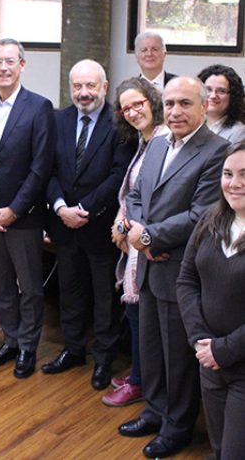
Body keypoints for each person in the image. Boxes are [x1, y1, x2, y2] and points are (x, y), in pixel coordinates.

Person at [119, 77, 229, 459]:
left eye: (185, 103)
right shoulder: (157, 143)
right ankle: (155, 410)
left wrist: (146, 238)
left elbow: (202, 214)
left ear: (203, 107)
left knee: (177, 357)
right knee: (151, 350)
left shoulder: (217, 151)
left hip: (179, 268)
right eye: (170, 103)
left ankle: (178, 426)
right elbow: (135, 195)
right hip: (149, 265)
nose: (176, 111)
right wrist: (137, 232)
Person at [0, 38, 56, 379]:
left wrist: (15, 209)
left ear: (22, 65)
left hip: (25, 217)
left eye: (10, 61)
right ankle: (12, 340)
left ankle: (29, 347)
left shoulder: (39, 107)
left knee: (29, 287)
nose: (3, 67)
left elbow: (41, 166)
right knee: (0, 284)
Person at [43, 60, 137, 389]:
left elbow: (119, 176)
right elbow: (47, 169)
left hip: (99, 227)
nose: (84, 93)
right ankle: (73, 349)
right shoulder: (59, 119)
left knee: (104, 298)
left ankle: (104, 358)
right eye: (78, 86)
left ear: (104, 87)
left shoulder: (121, 123)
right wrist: (59, 207)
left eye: (91, 86)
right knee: (69, 291)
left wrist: (83, 208)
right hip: (64, 226)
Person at [102, 77, 168, 407]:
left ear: (153, 101)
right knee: (134, 314)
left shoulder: (164, 140)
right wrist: (119, 220)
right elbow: (131, 194)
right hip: (133, 240)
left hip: (149, 244)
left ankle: (141, 382)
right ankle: (139, 374)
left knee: (143, 318)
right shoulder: (144, 141)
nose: (132, 112)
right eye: (125, 107)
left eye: (138, 104)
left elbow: (156, 199)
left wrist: (128, 228)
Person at [177, 142, 245, 460]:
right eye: (228, 174)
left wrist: (223, 350)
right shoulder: (210, 219)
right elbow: (187, 280)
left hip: (238, 363)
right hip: (209, 362)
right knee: (218, 448)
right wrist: (200, 340)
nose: (235, 183)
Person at [197, 64, 245, 144]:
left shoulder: (239, 133)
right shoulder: (193, 124)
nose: (213, 96)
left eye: (221, 91)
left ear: (233, 96)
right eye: (208, 89)